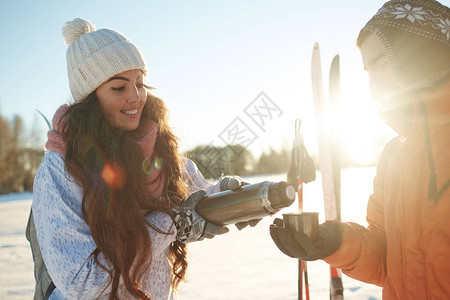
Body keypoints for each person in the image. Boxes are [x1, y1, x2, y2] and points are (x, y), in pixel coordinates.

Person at [27, 18, 252, 300]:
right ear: (89, 98)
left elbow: (197, 197)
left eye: (140, 83)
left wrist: (239, 199)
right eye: (119, 88)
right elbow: (81, 282)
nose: (136, 97)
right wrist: (171, 225)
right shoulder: (60, 169)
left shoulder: (157, 148)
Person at [270, 0, 449, 298]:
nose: (373, 80)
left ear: (423, 56)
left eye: (381, 62)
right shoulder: (394, 157)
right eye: (367, 69)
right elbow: (386, 259)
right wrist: (336, 242)